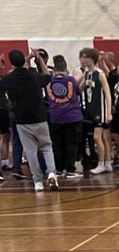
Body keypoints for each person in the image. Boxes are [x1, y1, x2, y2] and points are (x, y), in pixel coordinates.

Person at [0, 49, 59, 191]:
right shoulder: (33, 75)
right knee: (46, 146)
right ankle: (51, 172)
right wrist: (38, 58)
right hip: (39, 117)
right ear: (24, 61)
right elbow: (47, 76)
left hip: (22, 120)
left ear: (11, 63)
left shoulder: (9, 79)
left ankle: (37, 181)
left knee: (31, 151)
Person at [46, 55, 83, 179]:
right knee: (71, 144)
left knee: (57, 144)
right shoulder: (71, 80)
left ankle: (59, 169)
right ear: (66, 67)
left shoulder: (49, 81)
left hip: (55, 117)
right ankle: (70, 169)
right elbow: (78, 91)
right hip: (72, 116)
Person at [79, 47, 112, 174]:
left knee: (97, 137)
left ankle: (101, 164)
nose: (82, 59)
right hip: (91, 109)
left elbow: (108, 94)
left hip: (101, 110)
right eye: (82, 57)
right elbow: (80, 88)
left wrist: (108, 112)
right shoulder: (87, 74)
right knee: (103, 137)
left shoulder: (100, 74)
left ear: (92, 59)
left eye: (85, 57)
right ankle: (108, 162)